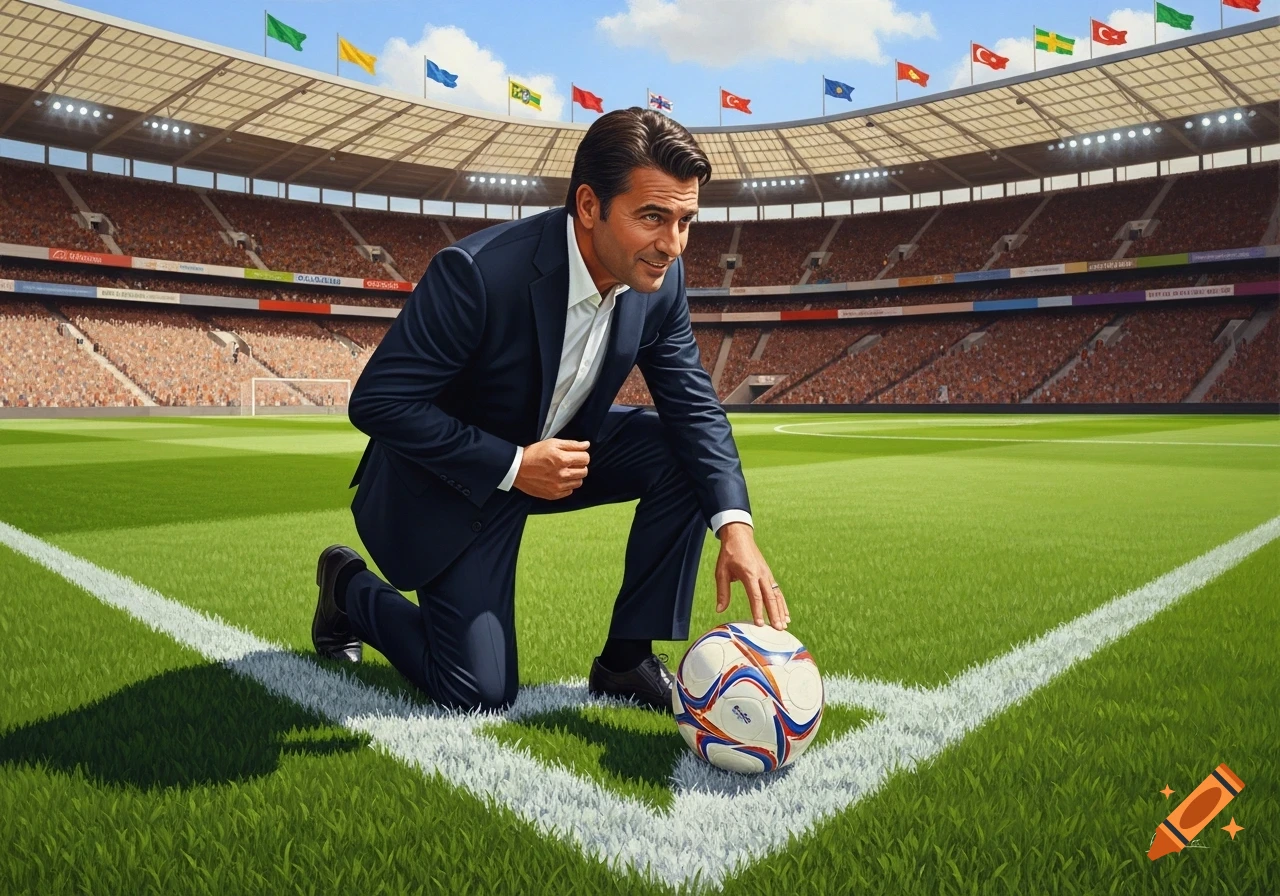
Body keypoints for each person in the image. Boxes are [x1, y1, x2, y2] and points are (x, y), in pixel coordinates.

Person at [312, 107, 788, 713]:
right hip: (457, 481)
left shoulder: (660, 281)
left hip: (559, 456)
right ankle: (347, 588)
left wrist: (735, 527)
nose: (672, 245)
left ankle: (625, 660)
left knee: (678, 450)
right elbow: (378, 401)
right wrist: (511, 464)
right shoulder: (478, 274)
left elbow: (695, 408)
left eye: (685, 221)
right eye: (652, 218)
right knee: (477, 695)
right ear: (589, 207)